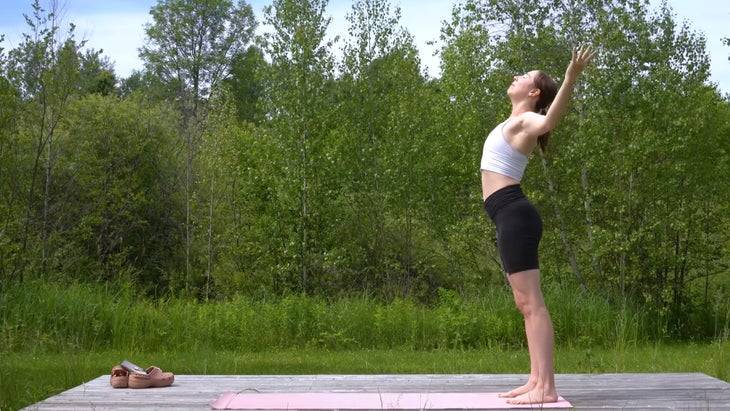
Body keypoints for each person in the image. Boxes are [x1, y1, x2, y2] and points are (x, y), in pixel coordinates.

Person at [480, 45, 596, 404]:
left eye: (525, 77)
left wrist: (570, 78)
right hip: (508, 214)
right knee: (524, 302)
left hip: (515, 214)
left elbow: (548, 122)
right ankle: (536, 380)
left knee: (532, 303)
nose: (516, 76)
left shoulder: (527, 119)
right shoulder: (511, 121)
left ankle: (547, 388)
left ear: (533, 93)